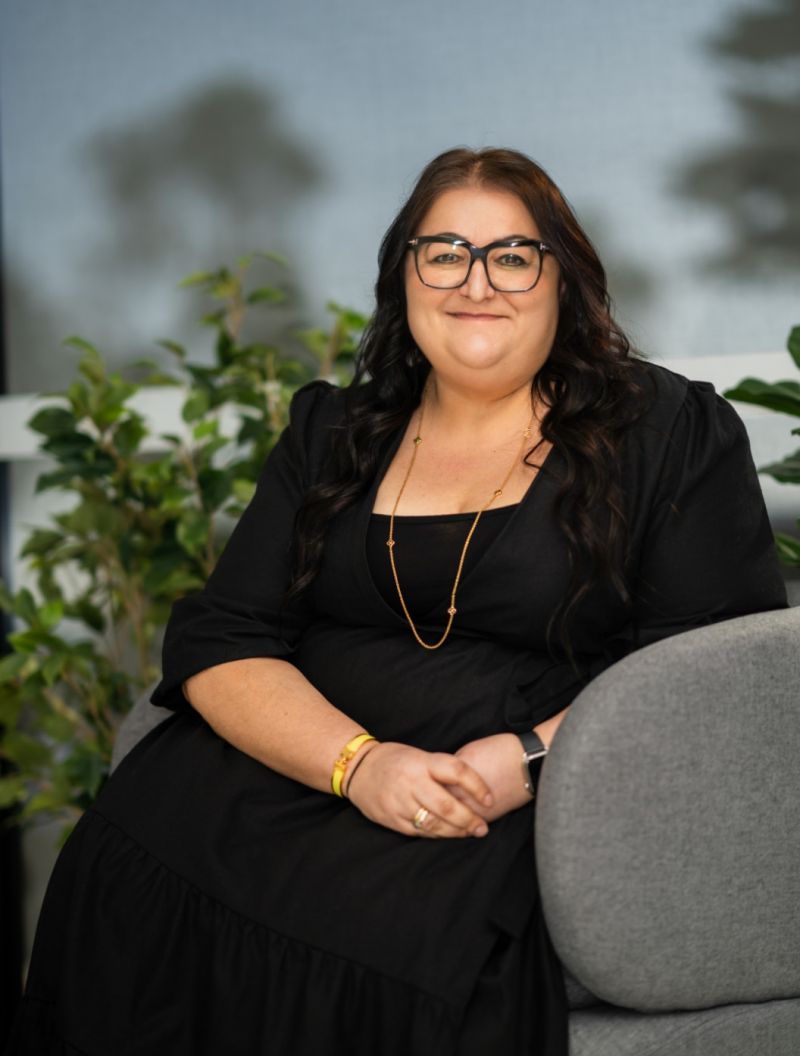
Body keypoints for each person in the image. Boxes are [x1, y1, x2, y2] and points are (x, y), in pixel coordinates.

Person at [9, 147, 787, 1056]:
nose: (476, 282)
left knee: (393, 940)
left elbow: (701, 671)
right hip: (287, 779)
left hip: (497, 801)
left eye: (513, 255)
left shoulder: (667, 432)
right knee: (124, 876)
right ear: (404, 277)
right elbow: (224, 635)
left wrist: (527, 761)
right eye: (445, 252)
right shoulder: (334, 432)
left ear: (564, 282)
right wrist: (360, 766)